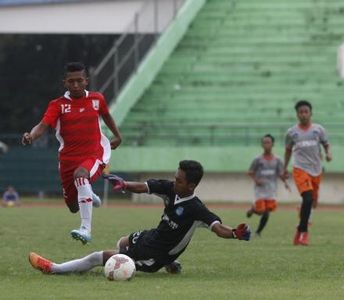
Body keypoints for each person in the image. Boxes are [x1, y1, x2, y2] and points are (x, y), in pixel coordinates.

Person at [29, 160, 251, 275]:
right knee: (122, 243)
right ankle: (172, 264)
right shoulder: (170, 189)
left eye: (180, 180)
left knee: (99, 257)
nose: (175, 182)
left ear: (192, 185)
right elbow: (145, 186)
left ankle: (55, 269)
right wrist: (124, 184)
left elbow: (218, 227)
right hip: (151, 237)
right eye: (175, 177)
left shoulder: (196, 209)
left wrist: (234, 233)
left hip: (155, 255)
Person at [21, 62, 122, 244]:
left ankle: (86, 229)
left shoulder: (97, 99)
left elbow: (106, 115)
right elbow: (43, 125)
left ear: (86, 81)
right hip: (67, 160)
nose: (75, 85)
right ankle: (90, 195)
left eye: (79, 80)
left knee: (81, 175)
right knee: (73, 206)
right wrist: (31, 136)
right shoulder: (57, 105)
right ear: (65, 83)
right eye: (71, 81)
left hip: (95, 154)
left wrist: (117, 135)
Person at [284, 100, 332, 246]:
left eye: (306, 111)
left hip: (316, 170)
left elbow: (326, 144)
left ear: (311, 113)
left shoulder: (318, 130)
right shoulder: (292, 133)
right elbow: (287, 151)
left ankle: (301, 223)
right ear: (297, 114)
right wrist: (284, 168)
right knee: (308, 198)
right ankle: (303, 233)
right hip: (300, 169)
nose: (303, 114)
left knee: (312, 203)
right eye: (301, 112)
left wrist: (328, 153)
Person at [246, 134, 290, 236]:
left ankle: (258, 232)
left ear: (272, 144)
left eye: (268, 142)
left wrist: (285, 181)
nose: (266, 144)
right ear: (262, 145)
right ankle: (254, 209)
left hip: (271, 190)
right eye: (264, 142)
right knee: (262, 210)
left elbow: (280, 174)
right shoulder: (257, 159)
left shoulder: (278, 160)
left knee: (267, 212)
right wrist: (256, 180)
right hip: (260, 190)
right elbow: (250, 172)